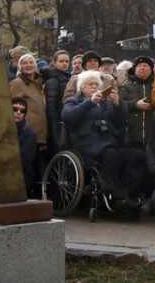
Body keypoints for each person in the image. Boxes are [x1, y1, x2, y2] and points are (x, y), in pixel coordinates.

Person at [62, 71, 146, 209]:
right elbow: (68, 117)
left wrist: (118, 104)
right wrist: (89, 102)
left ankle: (128, 192)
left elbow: (120, 122)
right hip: (87, 145)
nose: (94, 87)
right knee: (111, 154)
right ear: (82, 87)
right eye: (91, 84)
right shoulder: (73, 101)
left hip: (108, 143)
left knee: (137, 156)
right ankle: (115, 195)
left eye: (97, 84)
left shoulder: (105, 103)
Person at [9, 54, 47, 196]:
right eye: (24, 63)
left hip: (40, 134)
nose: (29, 65)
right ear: (20, 67)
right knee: (27, 167)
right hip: (27, 133)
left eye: (31, 62)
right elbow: (12, 106)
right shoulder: (17, 83)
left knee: (37, 170)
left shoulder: (37, 83)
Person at [119, 56, 155, 149]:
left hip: (153, 135)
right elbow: (119, 104)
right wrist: (135, 105)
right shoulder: (126, 85)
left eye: (145, 66)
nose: (142, 68)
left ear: (151, 69)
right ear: (134, 69)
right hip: (131, 136)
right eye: (139, 66)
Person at [43, 50, 72, 156]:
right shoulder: (53, 81)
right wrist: (55, 133)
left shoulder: (67, 77)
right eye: (61, 61)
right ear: (55, 63)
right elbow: (51, 109)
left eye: (67, 61)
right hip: (59, 123)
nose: (65, 63)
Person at [12, 97, 37, 197]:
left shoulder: (29, 134)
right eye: (14, 109)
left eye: (22, 111)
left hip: (20, 178)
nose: (18, 112)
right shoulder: (0, 127)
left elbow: (25, 160)